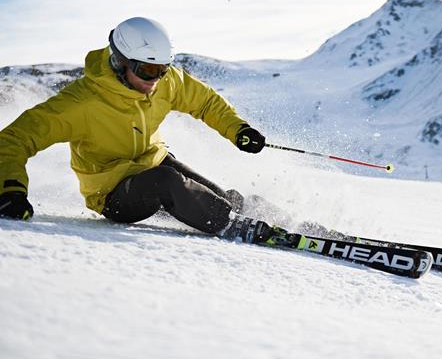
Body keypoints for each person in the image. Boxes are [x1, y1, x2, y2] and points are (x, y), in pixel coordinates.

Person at [0, 17, 266, 235]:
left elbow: (205, 102)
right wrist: (10, 189)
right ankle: (235, 226)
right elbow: (15, 139)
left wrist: (238, 130)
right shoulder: (82, 103)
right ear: (120, 62)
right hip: (113, 192)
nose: (156, 79)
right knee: (169, 183)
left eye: (162, 70)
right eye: (148, 71)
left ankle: (274, 220)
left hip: (154, 163)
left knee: (218, 200)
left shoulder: (164, 81)